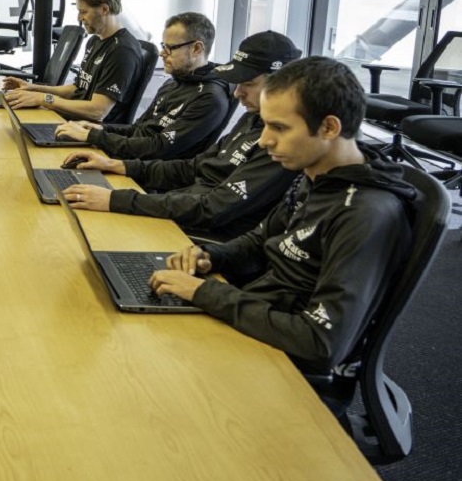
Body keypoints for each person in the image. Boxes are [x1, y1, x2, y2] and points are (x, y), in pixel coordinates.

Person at [148, 56, 417, 406]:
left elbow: (320, 343)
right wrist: (209, 256)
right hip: (257, 320)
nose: (263, 141)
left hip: (289, 371)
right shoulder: (317, 174)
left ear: (329, 128)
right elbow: (261, 241)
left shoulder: (365, 215)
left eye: (279, 128)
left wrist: (205, 294)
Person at [62, 31, 301, 242]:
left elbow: (214, 209)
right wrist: (116, 165)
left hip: (204, 233)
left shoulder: (282, 145)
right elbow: (193, 167)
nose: (238, 93)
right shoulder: (252, 118)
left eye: (248, 83)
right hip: (184, 207)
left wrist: (117, 200)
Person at [54, 12, 231, 160]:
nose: (162, 53)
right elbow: (139, 129)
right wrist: (98, 128)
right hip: (132, 159)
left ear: (197, 49)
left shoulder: (210, 99)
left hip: (148, 174)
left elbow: (160, 148)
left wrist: (95, 137)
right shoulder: (173, 83)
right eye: (163, 46)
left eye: (170, 48)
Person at [2, 0, 143, 122]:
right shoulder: (95, 41)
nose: (79, 18)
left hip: (89, 131)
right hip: (73, 121)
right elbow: (77, 89)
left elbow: (98, 111)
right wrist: (33, 88)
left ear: (104, 9)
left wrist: (44, 99)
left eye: (83, 12)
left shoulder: (122, 51)